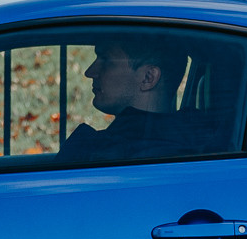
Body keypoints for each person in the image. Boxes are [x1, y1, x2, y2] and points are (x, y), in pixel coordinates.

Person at [60, 36, 189, 165]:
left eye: (106, 60)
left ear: (148, 77)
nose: (89, 72)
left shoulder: (94, 152)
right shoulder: (191, 145)